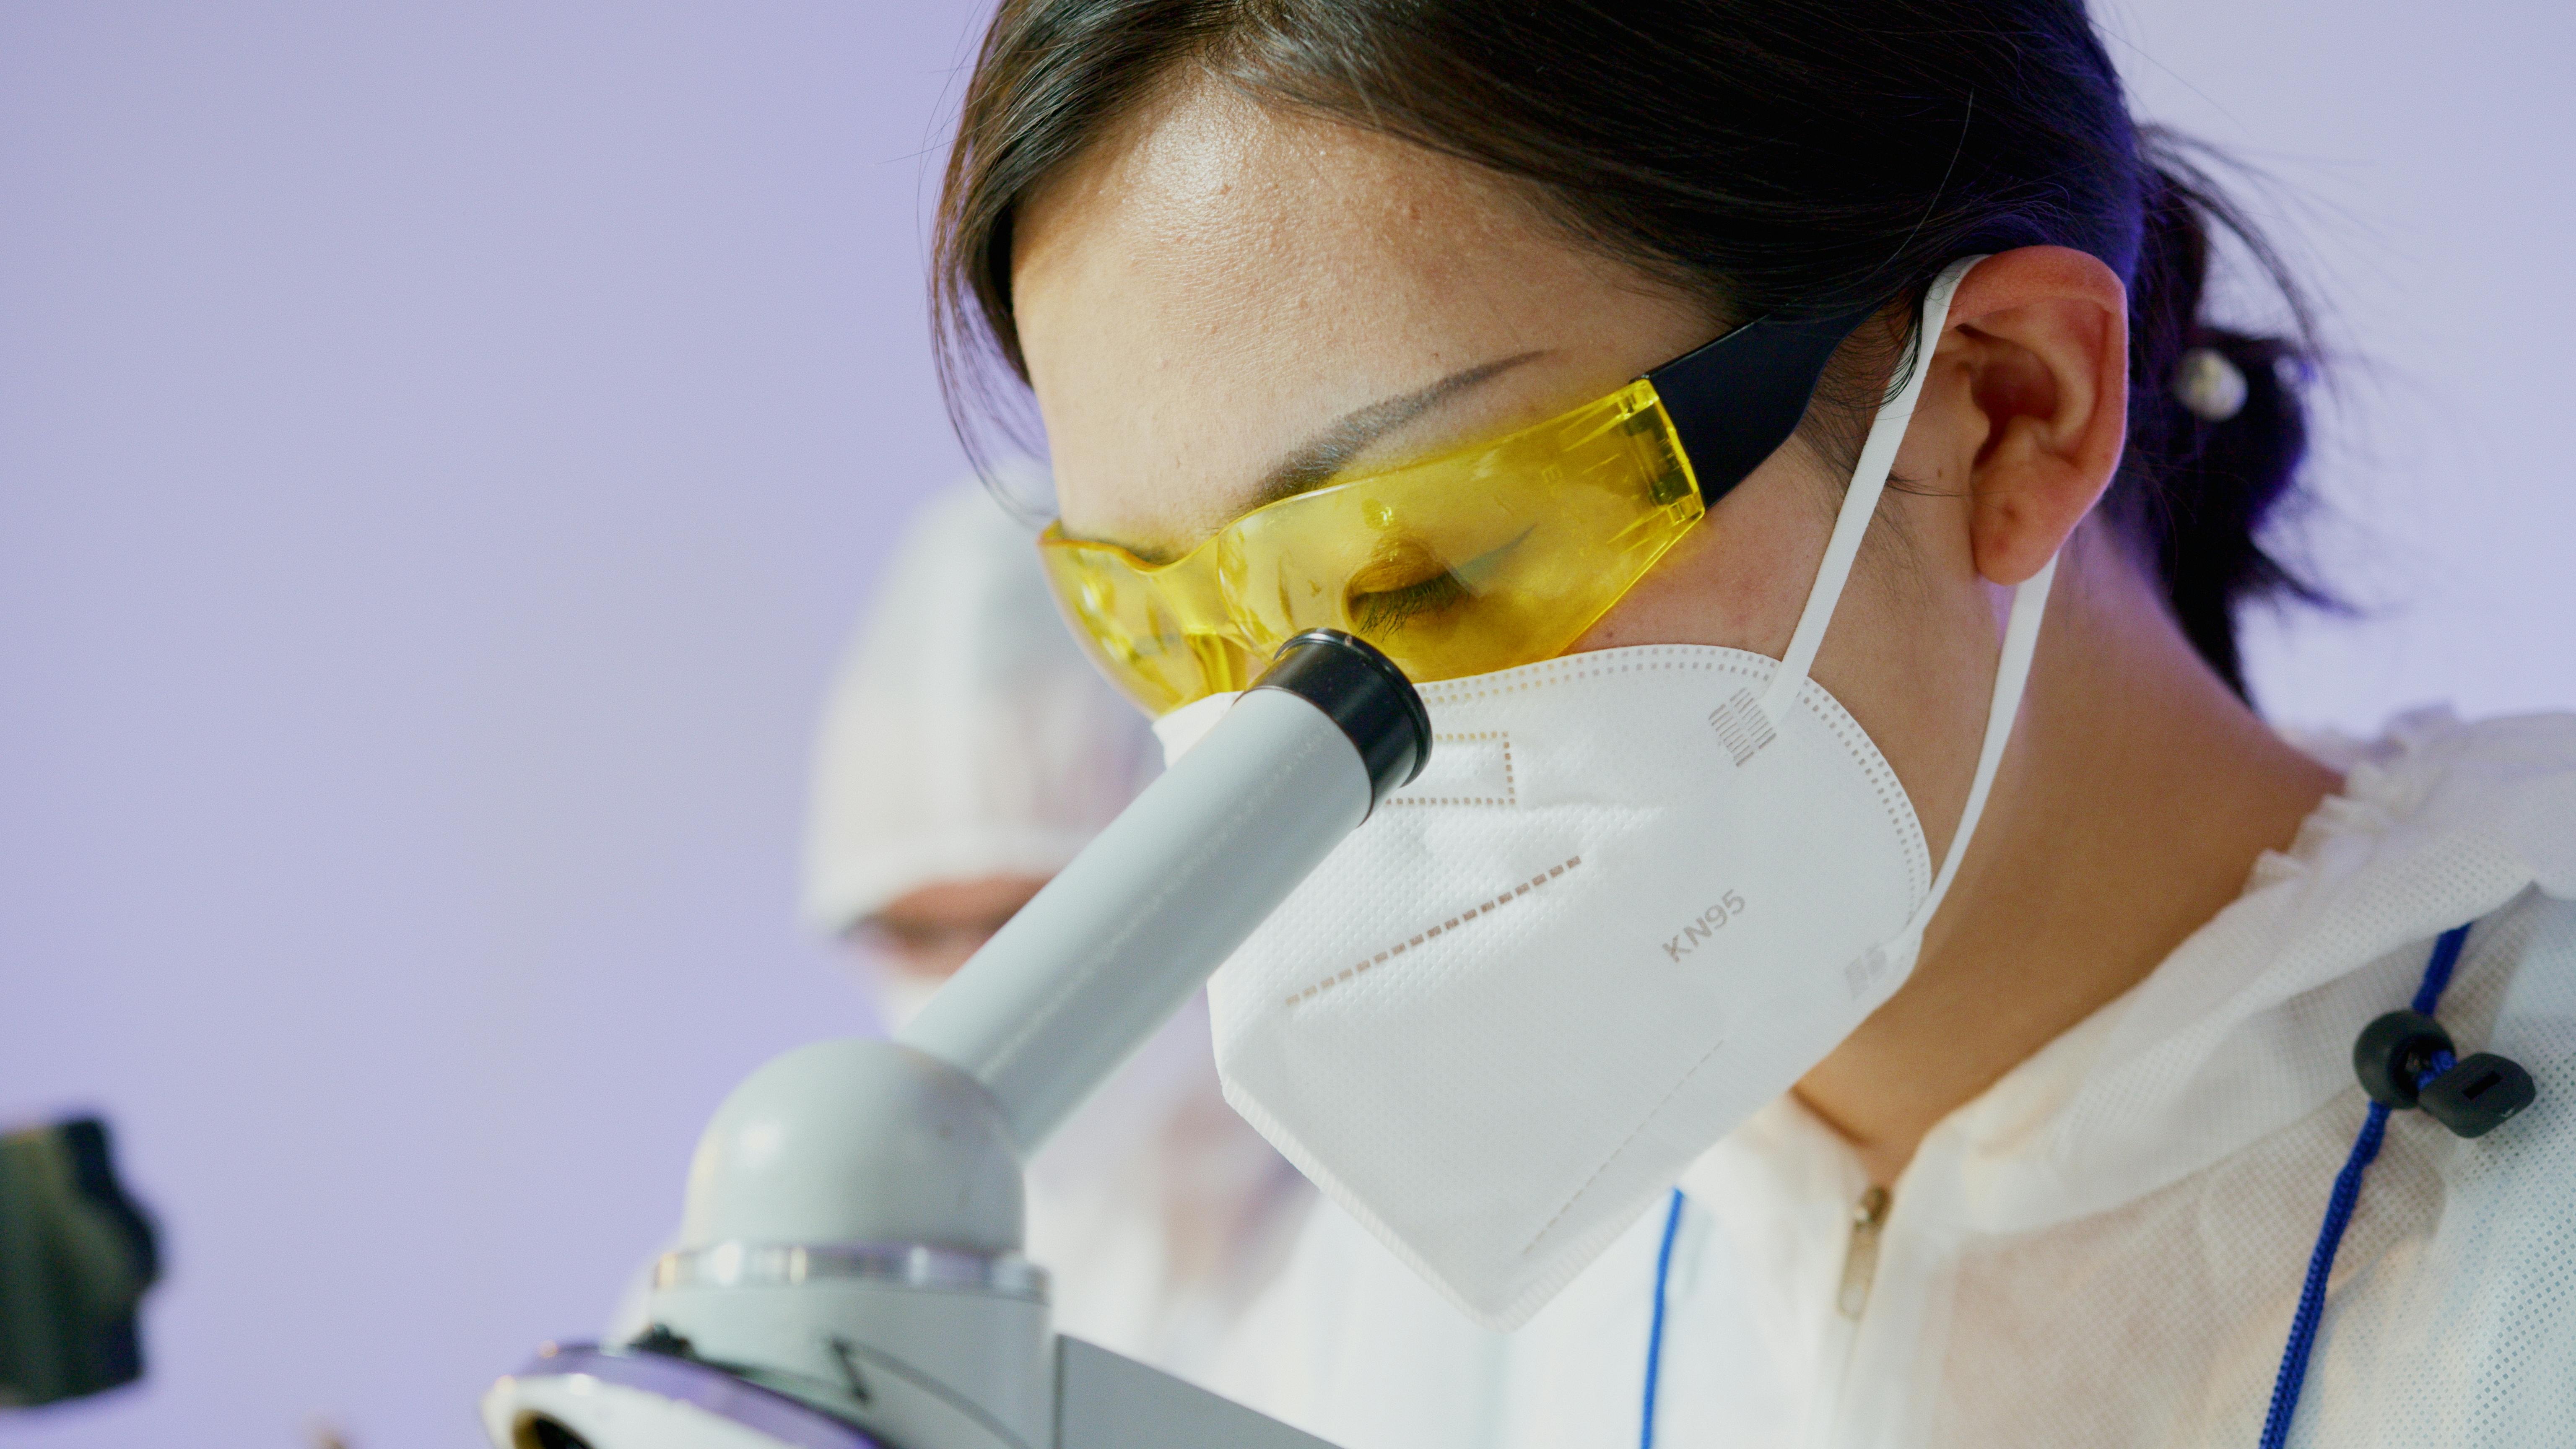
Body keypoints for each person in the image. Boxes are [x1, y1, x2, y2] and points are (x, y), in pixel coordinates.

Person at [922, 2, 2576, 1444]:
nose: (1291, 748)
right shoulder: (1416, 1326)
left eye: (1435, 556)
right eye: (1171, 626)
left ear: (2011, 409)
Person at [801, 481, 1313, 1385]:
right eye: (917, 934)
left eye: (1028, 923)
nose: (971, 990)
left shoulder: (1403, 1264)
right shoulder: (790, 1301)